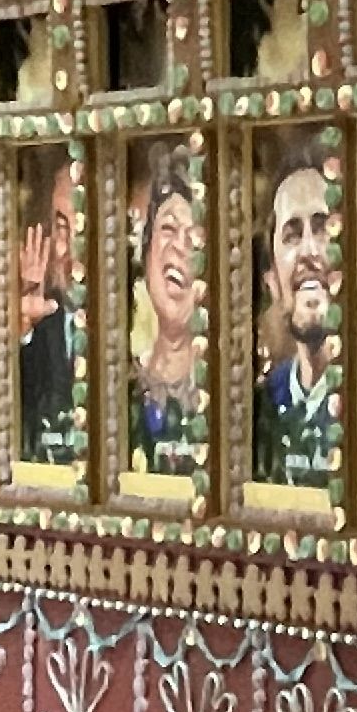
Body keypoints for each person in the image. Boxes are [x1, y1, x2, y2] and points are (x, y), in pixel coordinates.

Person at [250, 144, 341, 493]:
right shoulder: (260, 408)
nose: (308, 252)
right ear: (272, 280)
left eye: (322, 228)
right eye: (291, 234)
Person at [126, 163, 204, 478]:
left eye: (195, 235)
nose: (179, 247)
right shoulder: (121, 386)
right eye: (168, 229)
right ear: (145, 254)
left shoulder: (239, 391)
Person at [10, 146, 80, 466]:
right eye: (60, 225)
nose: (63, 246)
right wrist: (21, 326)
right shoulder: (43, 318)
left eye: (77, 230)